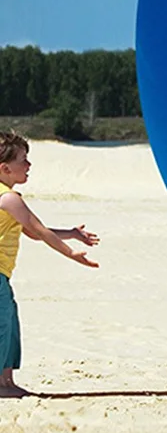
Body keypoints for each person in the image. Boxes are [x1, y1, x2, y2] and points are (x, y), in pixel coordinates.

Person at [0, 130, 100, 398]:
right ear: (5, 168)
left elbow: (32, 232)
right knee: (3, 324)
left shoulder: (5, 197)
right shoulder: (10, 199)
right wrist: (72, 253)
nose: (28, 165)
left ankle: (6, 382)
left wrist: (71, 232)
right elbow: (40, 232)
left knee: (9, 322)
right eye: (23, 160)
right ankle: (1, 385)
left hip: (2, 274)